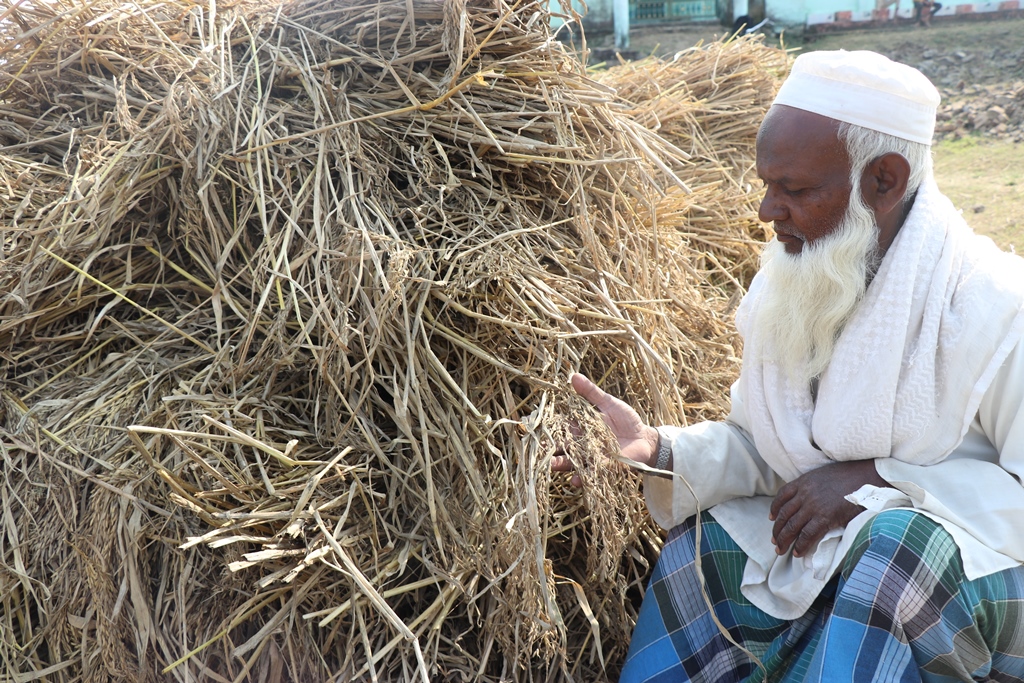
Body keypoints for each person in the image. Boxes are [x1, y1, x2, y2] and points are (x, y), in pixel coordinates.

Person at [553, 50, 1024, 682]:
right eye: (767, 186)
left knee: (897, 553)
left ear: (883, 180)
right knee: (710, 539)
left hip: (983, 581)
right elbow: (773, 453)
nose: (767, 211)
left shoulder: (996, 308)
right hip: (853, 566)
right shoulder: (799, 285)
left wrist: (875, 482)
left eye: (796, 190)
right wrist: (661, 451)